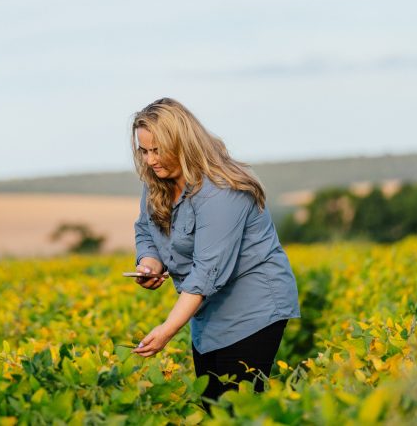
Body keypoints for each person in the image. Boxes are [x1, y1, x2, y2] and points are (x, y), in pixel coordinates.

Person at [128, 97, 301, 411]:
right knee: (212, 406)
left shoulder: (222, 190)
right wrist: (149, 263)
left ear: (182, 142)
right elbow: (145, 229)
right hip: (207, 314)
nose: (151, 160)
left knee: (235, 408)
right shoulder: (157, 182)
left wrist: (166, 331)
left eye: (158, 149)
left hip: (254, 307)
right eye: (145, 151)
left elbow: (207, 273)